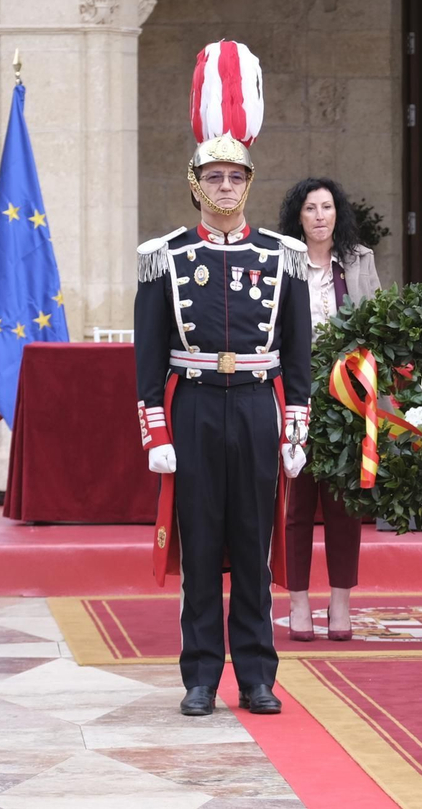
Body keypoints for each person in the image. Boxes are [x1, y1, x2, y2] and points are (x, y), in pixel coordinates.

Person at [134, 40, 311, 717]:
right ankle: (201, 676)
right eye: (215, 178)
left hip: (259, 407)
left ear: (249, 184)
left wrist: (296, 428)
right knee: (203, 545)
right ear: (196, 184)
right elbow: (149, 357)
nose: (226, 188)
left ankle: (258, 675)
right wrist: (156, 431)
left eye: (236, 177)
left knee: (255, 547)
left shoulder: (283, 255)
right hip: (196, 409)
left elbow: (298, 354)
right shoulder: (165, 257)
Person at [278, 177, 381, 639]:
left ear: (337, 213)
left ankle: (340, 605)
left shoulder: (359, 260)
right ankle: (298, 604)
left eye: (326, 207)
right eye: (310, 208)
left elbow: (377, 325)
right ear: (297, 217)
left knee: (344, 506)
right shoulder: (281, 260)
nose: (319, 216)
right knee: (297, 506)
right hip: (294, 396)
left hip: (347, 398)